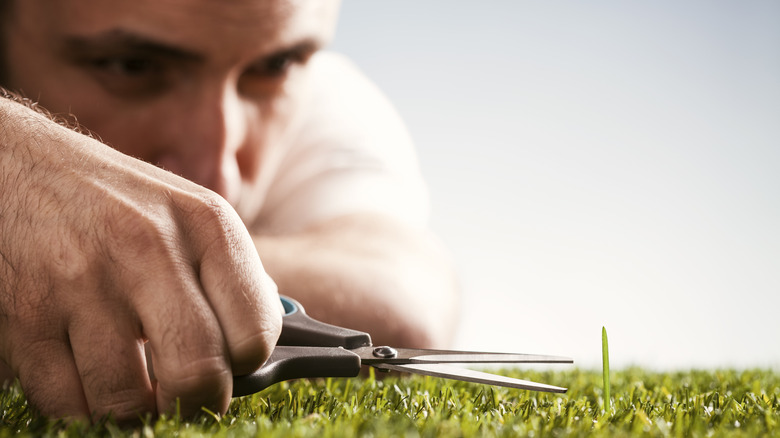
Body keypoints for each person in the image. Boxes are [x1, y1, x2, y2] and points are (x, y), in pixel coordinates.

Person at [0, 0, 459, 423]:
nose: (218, 177)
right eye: (132, 66)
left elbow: (401, 304)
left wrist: (118, 253)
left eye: (275, 65)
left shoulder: (329, 99)